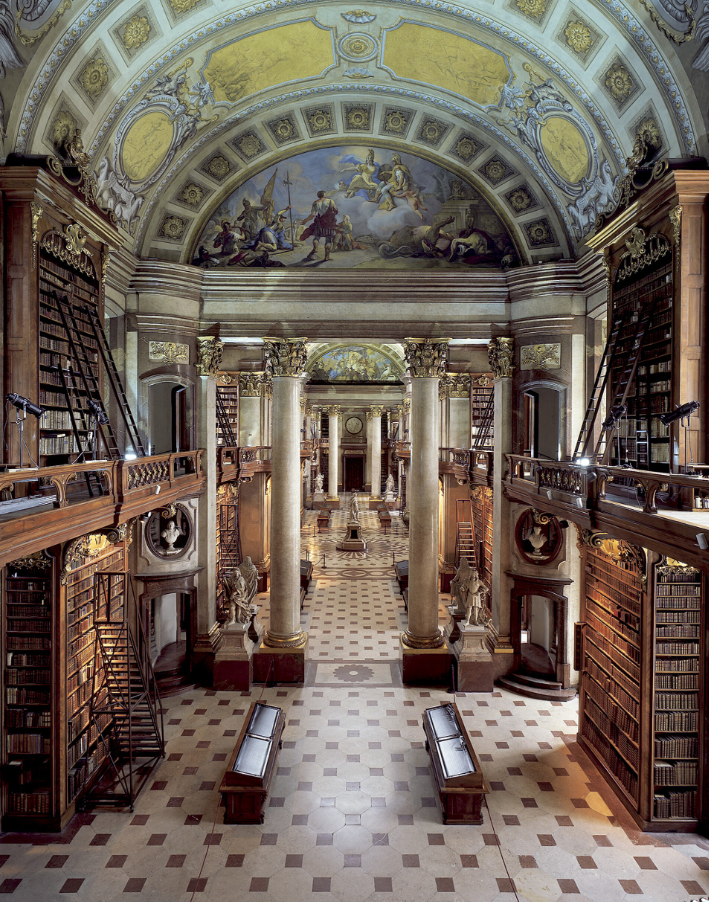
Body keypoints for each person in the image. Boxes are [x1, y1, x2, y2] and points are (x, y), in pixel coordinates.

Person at [300, 191, 338, 261]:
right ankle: (327, 256)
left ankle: (315, 247)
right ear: (324, 194)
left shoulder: (315, 203)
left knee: (317, 236)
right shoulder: (330, 201)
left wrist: (305, 220)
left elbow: (312, 215)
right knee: (328, 239)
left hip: (320, 223)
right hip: (329, 223)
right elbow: (335, 211)